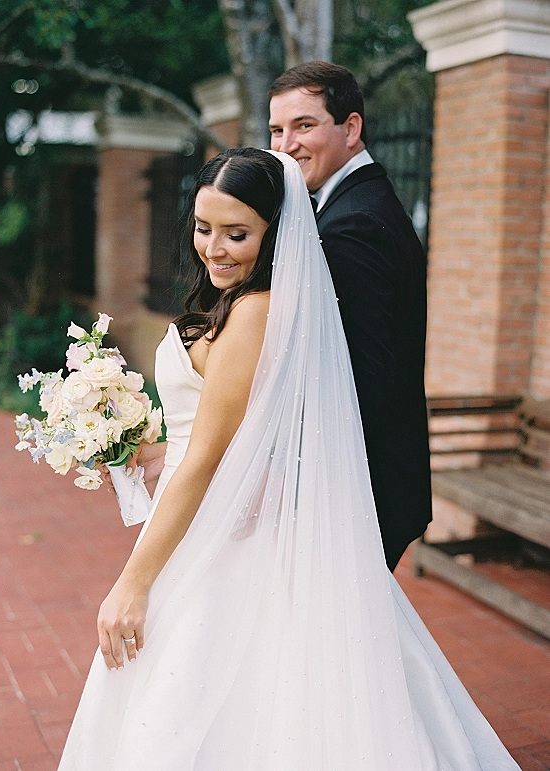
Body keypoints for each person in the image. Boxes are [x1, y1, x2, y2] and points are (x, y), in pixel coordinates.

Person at [58, 148, 519, 770]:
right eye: (203, 228)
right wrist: (152, 446)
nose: (214, 249)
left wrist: (131, 585)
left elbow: (206, 463)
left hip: (235, 543)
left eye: (237, 234)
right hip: (227, 522)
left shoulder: (253, 312)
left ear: (277, 233)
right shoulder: (249, 302)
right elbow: (234, 441)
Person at [269, 62, 432, 571]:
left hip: (358, 488)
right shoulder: (351, 205)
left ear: (351, 127)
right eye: (277, 129)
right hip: (367, 480)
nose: (286, 144)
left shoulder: (351, 226)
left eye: (304, 125)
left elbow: (363, 376)